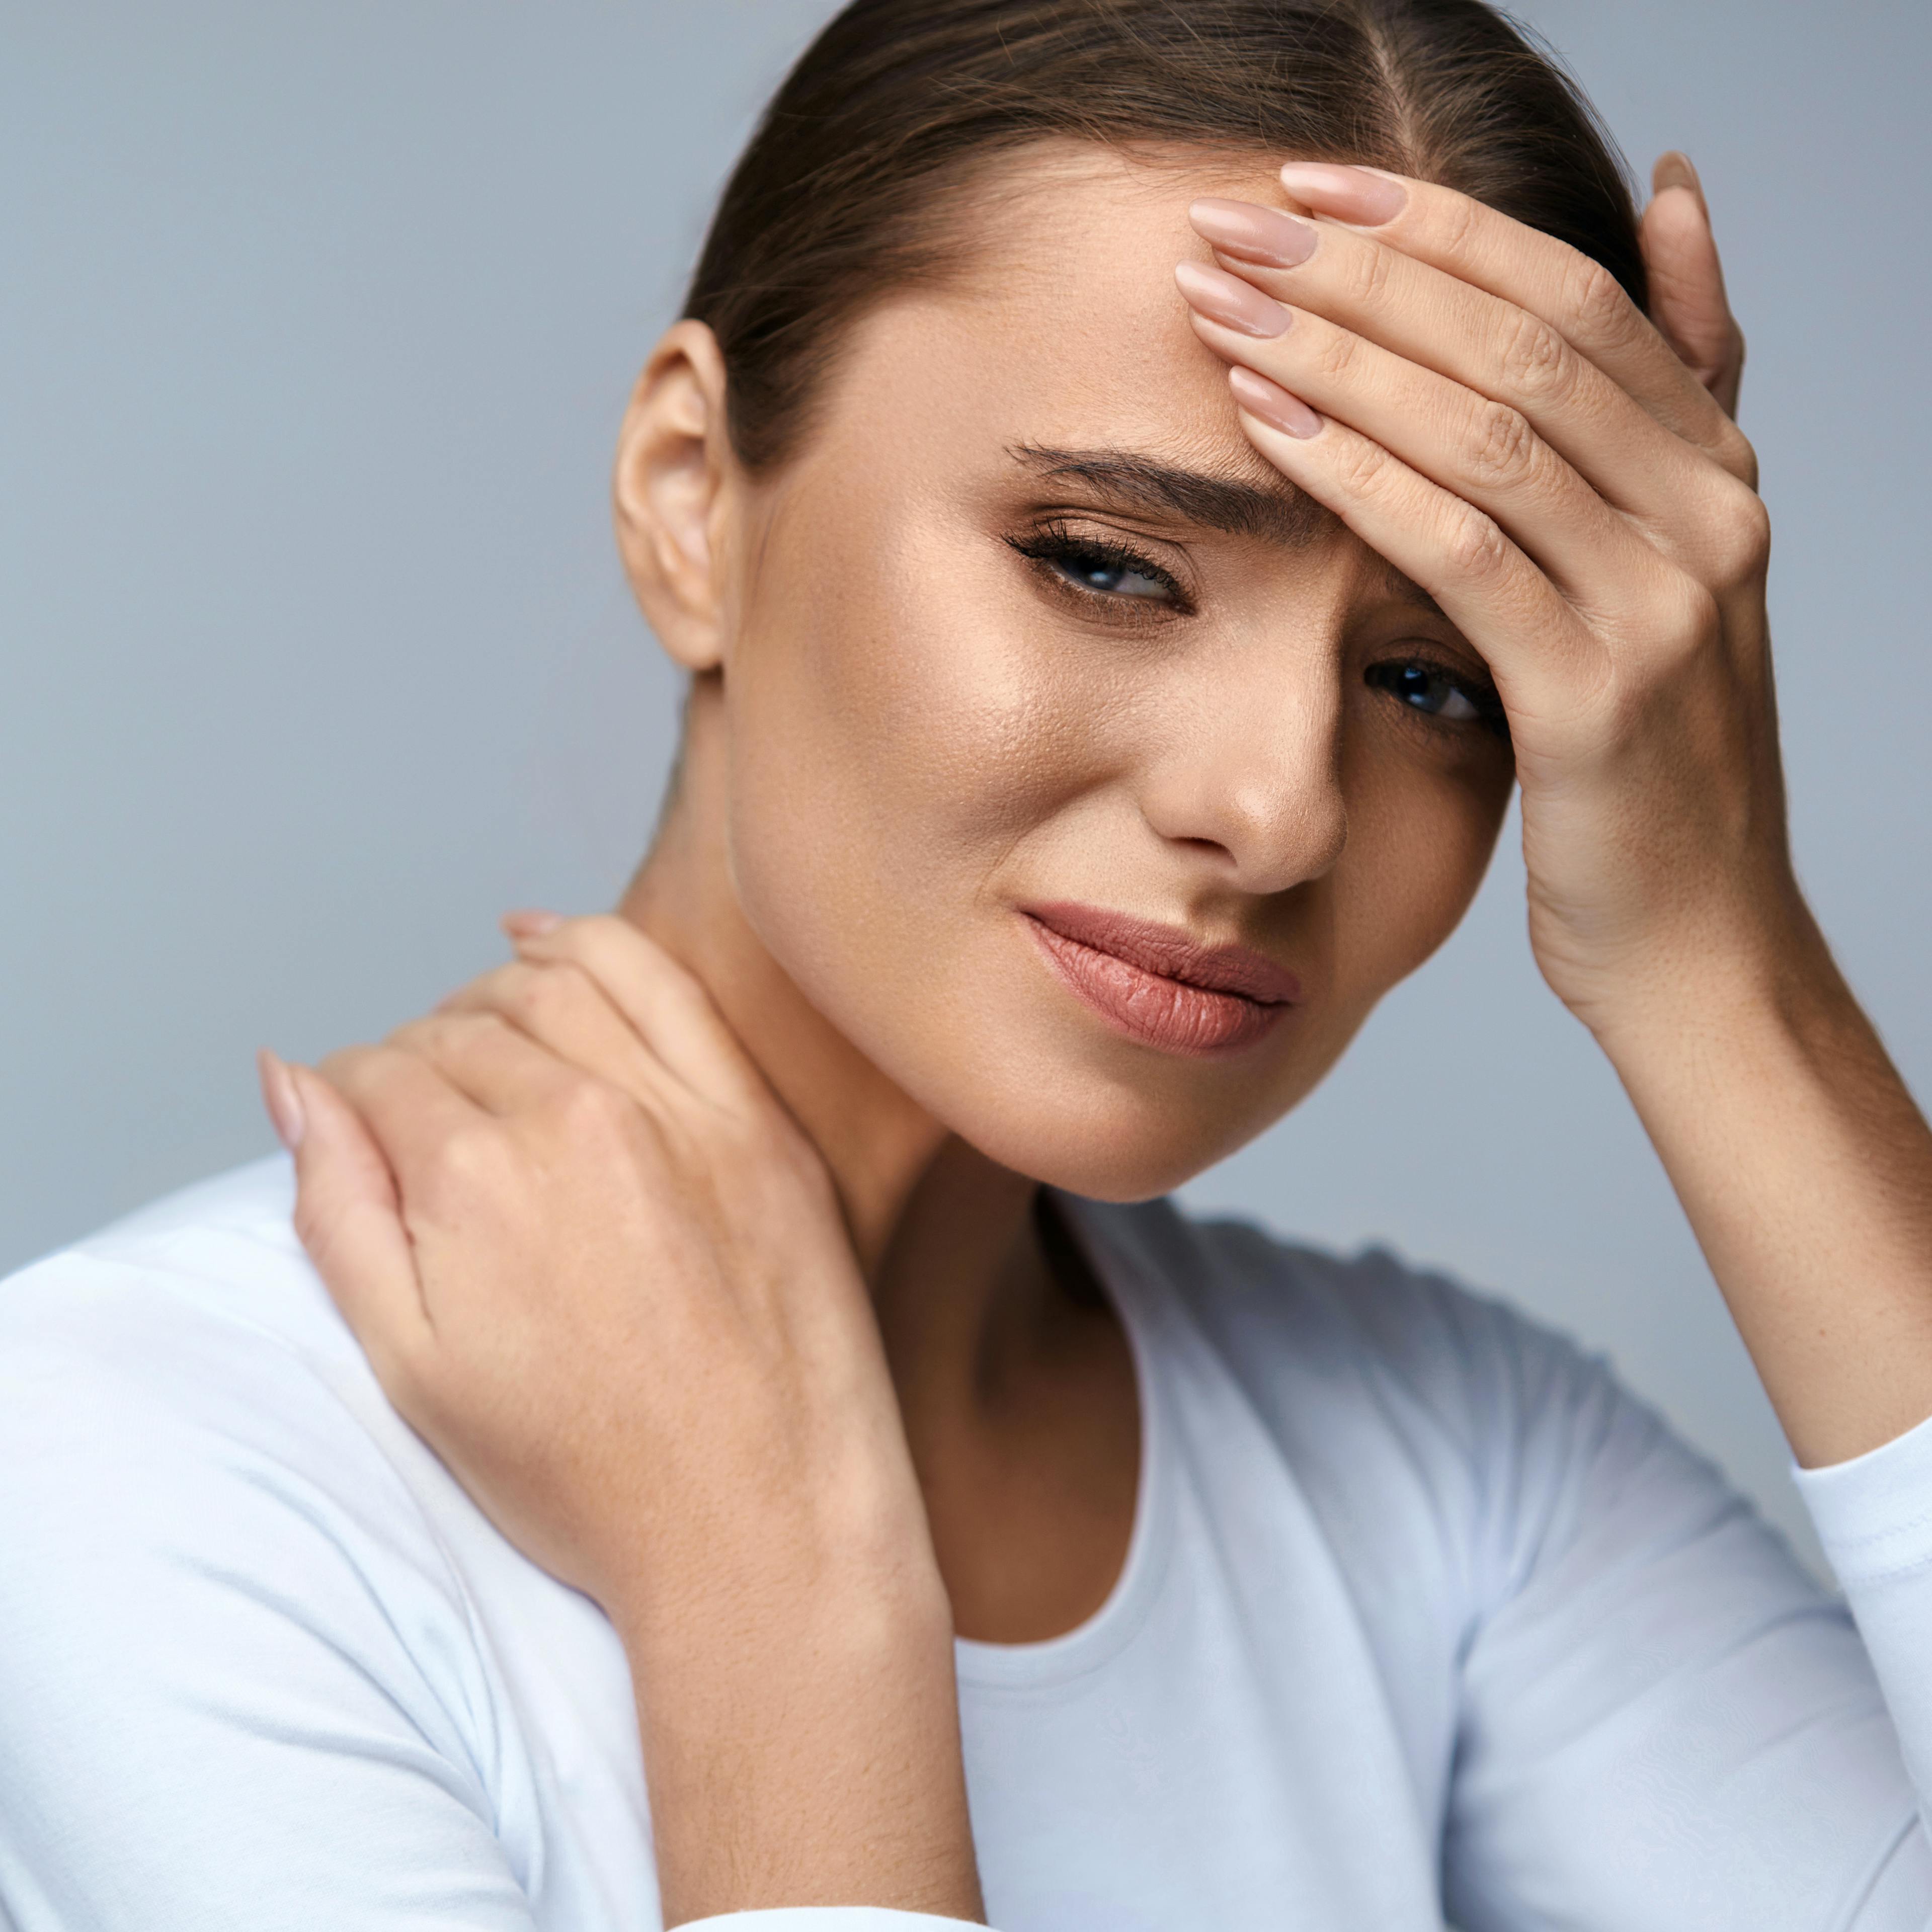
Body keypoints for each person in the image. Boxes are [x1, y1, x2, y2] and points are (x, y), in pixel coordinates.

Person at [5, 0, 1931, 1926]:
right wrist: (784, 1592)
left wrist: (1718, 960)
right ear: (694, 494)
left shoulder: (1454, 1475)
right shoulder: (124, 1461)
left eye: (1437, 680)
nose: (1280, 811)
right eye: (1106, 560)